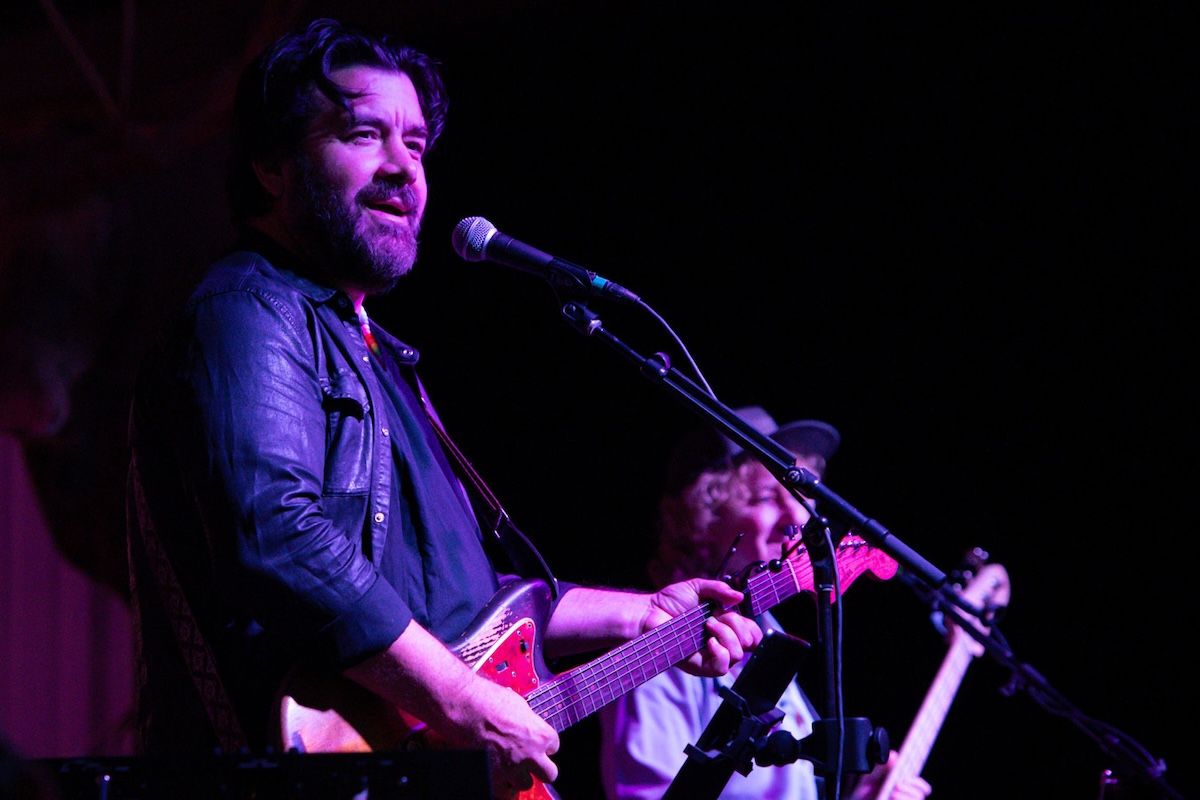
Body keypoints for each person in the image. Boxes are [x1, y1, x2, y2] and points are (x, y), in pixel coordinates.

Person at [123, 17, 761, 799]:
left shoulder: (374, 352)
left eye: (417, 145)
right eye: (364, 135)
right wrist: (462, 702)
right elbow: (279, 535)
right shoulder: (249, 310)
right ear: (271, 164)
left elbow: (460, 605)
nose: (404, 170)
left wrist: (643, 617)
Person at [599, 406, 933, 799]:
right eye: (764, 497)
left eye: (797, 495)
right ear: (703, 516)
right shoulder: (661, 639)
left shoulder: (767, 627)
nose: (796, 514)